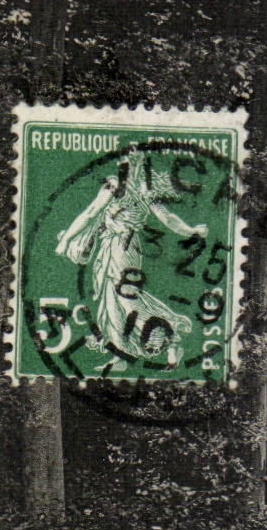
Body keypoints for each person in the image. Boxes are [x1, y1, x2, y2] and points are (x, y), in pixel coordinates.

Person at [55, 153, 204, 369]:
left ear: (137, 165)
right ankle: (121, 355)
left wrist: (66, 239)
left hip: (121, 248)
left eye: (131, 162)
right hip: (120, 247)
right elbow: (168, 219)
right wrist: (192, 230)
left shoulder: (122, 188)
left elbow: (90, 213)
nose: (126, 166)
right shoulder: (139, 189)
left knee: (126, 299)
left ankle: (171, 338)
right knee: (111, 300)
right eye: (125, 162)